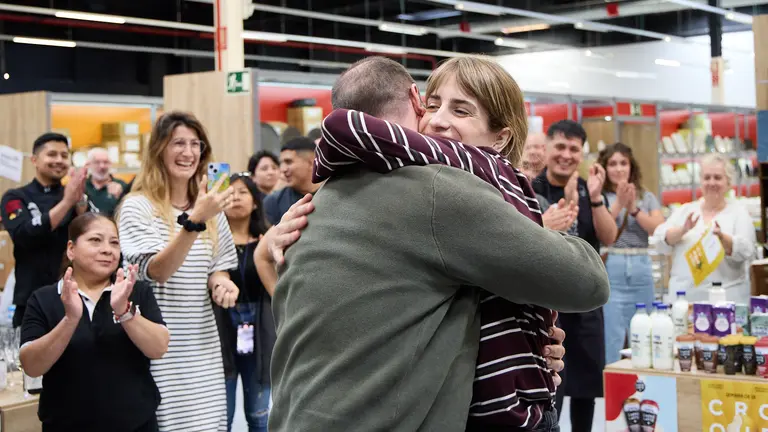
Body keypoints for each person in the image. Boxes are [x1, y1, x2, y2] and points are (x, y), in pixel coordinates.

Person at [265, 56, 609, 432]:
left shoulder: (334, 188)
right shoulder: (436, 190)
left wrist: (527, 337)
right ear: (416, 102)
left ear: (501, 136)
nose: (438, 120)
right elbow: (588, 280)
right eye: (433, 104)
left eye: (461, 110)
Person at [117, 111, 240, 432]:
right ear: (158, 149)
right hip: (157, 350)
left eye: (195, 144)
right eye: (178, 143)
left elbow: (218, 269)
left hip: (203, 350)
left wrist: (222, 285)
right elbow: (156, 271)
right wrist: (194, 221)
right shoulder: (137, 206)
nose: (188, 153)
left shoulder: (211, 208)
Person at [19, 213, 169, 432]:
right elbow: (32, 366)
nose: (108, 249)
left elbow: (159, 347)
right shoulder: (44, 299)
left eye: (114, 242)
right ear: (71, 249)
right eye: (95, 240)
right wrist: (70, 320)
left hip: (136, 425)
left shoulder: (135, 291)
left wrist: (124, 311)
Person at [532, 120, 617, 432]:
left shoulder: (588, 188)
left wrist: (594, 198)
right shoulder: (529, 186)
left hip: (585, 303)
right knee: (550, 382)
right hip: (546, 303)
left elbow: (609, 237)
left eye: (574, 149)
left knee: (585, 385)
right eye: (560, 147)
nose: (566, 155)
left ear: (582, 153)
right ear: (548, 148)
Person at [1, 132, 89, 328]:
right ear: (34, 160)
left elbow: (90, 234)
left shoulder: (77, 196)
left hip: (75, 297)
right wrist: (67, 203)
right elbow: (24, 235)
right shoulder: (15, 197)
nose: (59, 160)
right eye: (52, 154)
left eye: (64, 156)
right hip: (31, 300)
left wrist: (80, 203)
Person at [652, 153, 756, 304]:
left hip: (726, 301)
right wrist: (682, 230)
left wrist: (723, 238)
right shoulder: (686, 211)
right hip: (685, 300)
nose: (711, 182)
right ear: (700, 181)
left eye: (717, 177)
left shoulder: (739, 214)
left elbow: (746, 251)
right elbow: (659, 241)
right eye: (707, 178)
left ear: (728, 182)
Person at [214, 173, 273, 432]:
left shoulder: (268, 239)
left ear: (256, 202)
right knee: (221, 417)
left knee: (259, 414)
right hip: (221, 327)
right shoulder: (211, 242)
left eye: (243, 192)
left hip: (260, 326)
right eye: (231, 192)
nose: (236, 197)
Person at [597, 143, 665, 364]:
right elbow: (603, 229)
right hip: (612, 264)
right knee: (612, 334)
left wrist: (634, 207)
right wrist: (619, 203)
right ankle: (613, 385)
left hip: (641, 265)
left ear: (631, 166)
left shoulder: (646, 196)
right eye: (613, 163)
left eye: (623, 163)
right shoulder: (600, 197)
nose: (619, 169)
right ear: (605, 168)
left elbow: (657, 227)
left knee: (645, 330)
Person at [262, 138, 319, 226]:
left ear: (311, 163)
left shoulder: (331, 194)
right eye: (281, 163)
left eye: (288, 162)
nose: (283, 169)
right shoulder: (273, 202)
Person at [85, 147, 129, 216]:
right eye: (97, 162)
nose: (102, 166)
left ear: (111, 164)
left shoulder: (122, 186)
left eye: (106, 162)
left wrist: (121, 197)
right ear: (88, 165)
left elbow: (129, 212)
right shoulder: (83, 186)